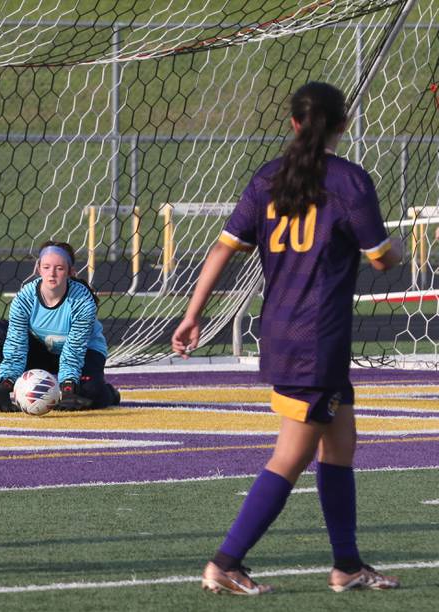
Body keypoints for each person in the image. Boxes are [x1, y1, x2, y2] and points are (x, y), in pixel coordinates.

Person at [171, 82, 402, 595]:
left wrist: (192, 315)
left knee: (339, 445)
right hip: (316, 341)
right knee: (291, 456)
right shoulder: (348, 181)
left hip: (286, 333)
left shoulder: (268, 178)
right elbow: (382, 259)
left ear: (294, 123)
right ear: (343, 125)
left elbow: (221, 249)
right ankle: (226, 561)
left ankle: (347, 565)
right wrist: (398, 248)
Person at [0, 240, 120, 412]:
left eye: (59, 268)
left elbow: (74, 350)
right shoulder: (24, 298)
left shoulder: (83, 301)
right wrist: (6, 384)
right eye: (46, 267)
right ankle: (17, 384)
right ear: (39, 269)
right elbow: (16, 344)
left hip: (84, 353)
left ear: (71, 272)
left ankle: (109, 393)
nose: (52, 274)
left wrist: (69, 389)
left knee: (89, 394)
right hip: (44, 351)